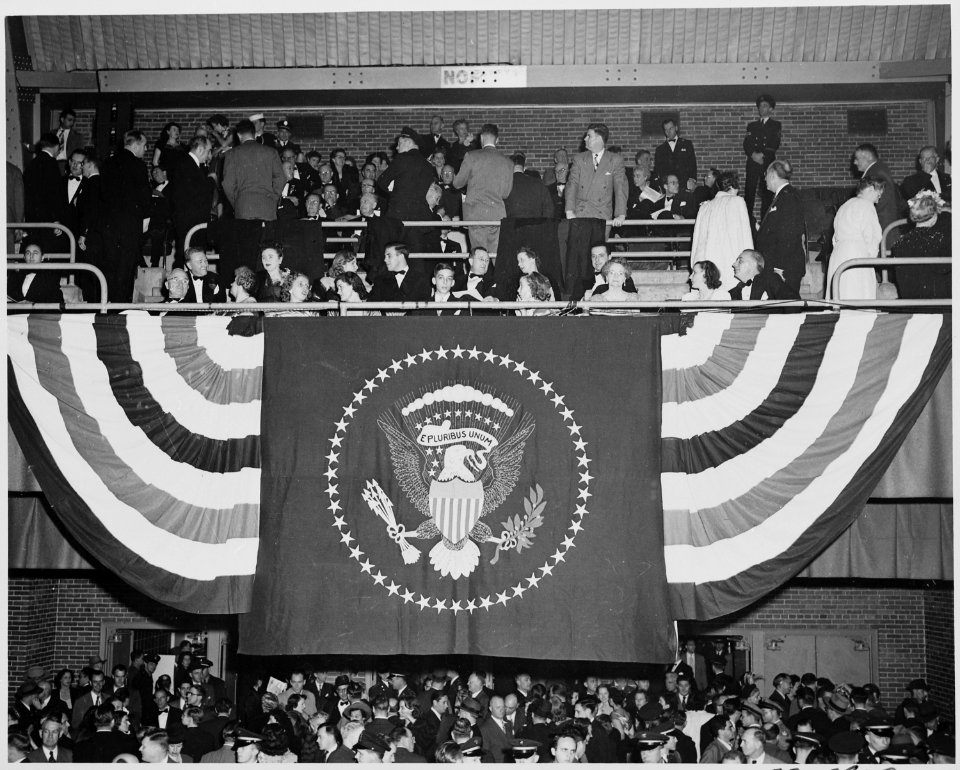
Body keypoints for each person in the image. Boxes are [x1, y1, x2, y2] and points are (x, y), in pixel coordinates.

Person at [563, 123, 628, 296]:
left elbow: (620, 187)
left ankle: (601, 292)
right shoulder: (579, 158)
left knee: (599, 258)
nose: (585, 139)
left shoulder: (615, 160)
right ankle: (580, 295)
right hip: (581, 215)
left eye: (588, 135)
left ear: (599, 138)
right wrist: (570, 210)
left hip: (602, 217)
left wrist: (620, 214)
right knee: (581, 260)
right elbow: (572, 184)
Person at [99, 129, 153, 303]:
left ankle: (106, 305)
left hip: (109, 225)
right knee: (126, 268)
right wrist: (146, 219)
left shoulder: (108, 163)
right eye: (144, 145)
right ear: (136, 144)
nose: (145, 149)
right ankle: (121, 307)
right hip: (130, 225)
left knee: (110, 267)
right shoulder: (139, 165)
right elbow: (145, 196)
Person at [453, 123, 515, 255]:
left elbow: (457, 184)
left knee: (478, 255)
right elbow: (506, 193)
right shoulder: (508, 162)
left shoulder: (471, 156)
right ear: (497, 140)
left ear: (481, 138)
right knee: (496, 257)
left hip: (476, 215)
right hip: (497, 215)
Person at [377, 126, 439, 254]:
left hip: (398, 218)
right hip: (420, 219)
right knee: (416, 257)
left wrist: (396, 189)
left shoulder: (401, 159)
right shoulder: (428, 165)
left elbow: (382, 183)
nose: (397, 148)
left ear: (408, 142)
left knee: (396, 255)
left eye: (399, 144)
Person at [689, 170, 753, 292]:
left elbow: (696, 241)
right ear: (732, 186)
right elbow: (746, 236)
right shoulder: (737, 201)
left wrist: (695, 266)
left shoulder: (705, 206)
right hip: (730, 263)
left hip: (707, 264)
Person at [825, 177, 884, 300]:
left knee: (840, 292)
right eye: (878, 195)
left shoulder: (845, 205)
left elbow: (834, 237)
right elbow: (873, 235)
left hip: (838, 254)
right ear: (871, 189)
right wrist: (871, 258)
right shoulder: (867, 205)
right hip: (857, 253)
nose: (879, 200)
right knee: (859, 292)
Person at [755, 159, 806, 294]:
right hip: (779, 265)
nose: (764, 179)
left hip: (784, 267)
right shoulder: (782, 197)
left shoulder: (788, 198)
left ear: (772, 175)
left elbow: (789, 235)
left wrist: (780, 267)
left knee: (786, 309)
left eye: (765, 175)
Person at [222, 118, 286, 225]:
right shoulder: (271, 152)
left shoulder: (231, 154)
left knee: (246, 240)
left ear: (239, 135)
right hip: (267, 207)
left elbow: (227, 184)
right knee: (266, 240)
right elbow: (281, 178)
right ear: (254, 133)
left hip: (243, 207)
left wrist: (237, 202)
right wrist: (273, 199)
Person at [890, 190, 951, 299]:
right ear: (934, 216)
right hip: (939, 304)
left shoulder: (898, 245)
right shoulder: (942, 240)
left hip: (910, 302)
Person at [853, 143, 906, 246]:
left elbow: (881, 200)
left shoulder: (875, 173)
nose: (855, 162)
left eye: (857, 158)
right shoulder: (878, 169)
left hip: (881, 228)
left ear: (868, 157)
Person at [743, 94, 782, 225]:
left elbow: (774, 143)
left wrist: (762, 156)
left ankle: (765, 223)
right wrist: (753, 155)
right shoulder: (752, 126)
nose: (761, 108)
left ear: (771, 109)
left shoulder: (775, 125)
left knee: (767, 193)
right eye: (760, 106)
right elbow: (747, 143)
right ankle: (748, 221)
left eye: (765, 105)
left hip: (767, 163)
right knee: (749, 192)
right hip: (753, 162)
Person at [729, 248, 800, 301]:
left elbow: (793, 300)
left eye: (740, 261)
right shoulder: (733, 292)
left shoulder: (770, 280)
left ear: (754, 264)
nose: (734, 264)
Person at [654, 118, 698, 191]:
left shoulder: (687, 144)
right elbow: (658, 170)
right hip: (668, 188)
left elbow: (692, 164)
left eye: (671, 128)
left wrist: (692, 180)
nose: (668, 132)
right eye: (666, 129)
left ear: (676, 128)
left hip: (684, 185)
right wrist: (660, 186)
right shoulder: (660, 149)